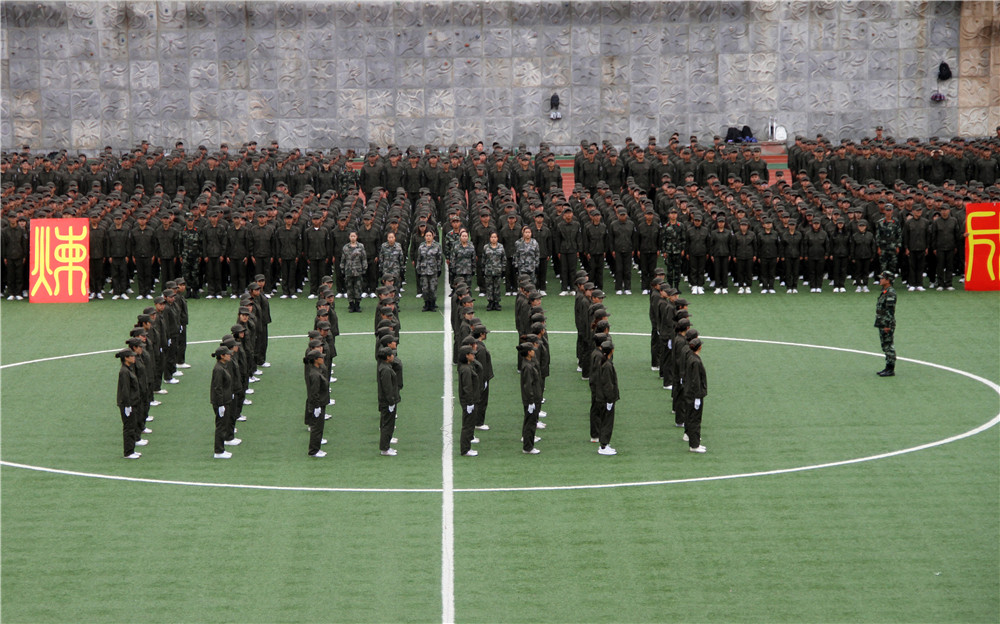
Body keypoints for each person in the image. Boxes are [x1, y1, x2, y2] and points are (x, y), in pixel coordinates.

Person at [116, 348, 142, 459]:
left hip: (132, 402)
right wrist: (127, 405)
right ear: (126, 358)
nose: (134, 357)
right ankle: (128, 452)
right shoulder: (124, 372)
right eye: (131, 356)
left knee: (132, 426)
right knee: (129, 427)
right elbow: (125, 390)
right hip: (128, 403)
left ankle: (131, 449)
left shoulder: (128, 369)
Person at [594, 340, 620, 455]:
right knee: (607, 422)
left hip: (602, 398)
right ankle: (604, 446)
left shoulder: (603, 362)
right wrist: (610, 400)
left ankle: (605, 444)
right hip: (605, 399)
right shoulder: (607, 365)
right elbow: (608, 385)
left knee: (605, 421)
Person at [683, 338, 707, 453]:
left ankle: (694, 440)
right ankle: (694, 445)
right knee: (695, 419)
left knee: (691, 417)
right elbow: (696, 380)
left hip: (689, 392)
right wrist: (697, 396)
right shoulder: (695, 361)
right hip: (694, 394)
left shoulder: (691, 357)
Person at [518, 342, 542, 454]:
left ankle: (528, 445)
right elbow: (528, 386)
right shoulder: (527, 367)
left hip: (533, 398)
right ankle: (528, 447)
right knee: (530, 423)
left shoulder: (529, 364)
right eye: (532, 350)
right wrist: (531, 401)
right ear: (528, 352)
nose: (534, 351)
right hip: (531, 400)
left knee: (530, 422)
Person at [304, 349, 329, 457]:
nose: (322, 359)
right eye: (320, 357)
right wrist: (317, 406)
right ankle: (313, 450)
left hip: (320, 403)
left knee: (319, 427)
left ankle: (316, 448)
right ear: (315, 360)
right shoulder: (314, 374)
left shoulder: (317, 370)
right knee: (316, 428)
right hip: (317, 405)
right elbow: (314, 393)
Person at [210, 346, 234, 459]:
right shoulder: (218, 369)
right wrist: (220, 405)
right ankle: (219, 451)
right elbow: (218, 388)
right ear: (222, 356)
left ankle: (221, 449)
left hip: (225, 400)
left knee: (224, 424)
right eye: (227, 354)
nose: (230, 355)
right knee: (221, 426)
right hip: (221, 402)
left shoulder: (223, 366)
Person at [457, 345, 481, 457]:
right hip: (468, 401)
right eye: (471, 354)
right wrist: (470, 403)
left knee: (469, 424)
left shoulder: (467, 367)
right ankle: (465, 449)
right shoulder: (466, 369)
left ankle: (467, 447)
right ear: (466, 356)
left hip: (470, 401)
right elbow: (467, 388)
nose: (474, 355)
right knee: (467, 425)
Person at [376, 346, 400, 456]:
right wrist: (391, 402)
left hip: (386, 401)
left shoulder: (385, 367)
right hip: (387, 402)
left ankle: (386, 446)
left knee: (388, 424)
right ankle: (385, 448)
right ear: (387, 357)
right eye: (391, 355)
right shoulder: (385, 370)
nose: (393, 356)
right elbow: (387, 388)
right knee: (387, 425)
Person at [875, 271, 897, 377]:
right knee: (885, 345)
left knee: (888, 346)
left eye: (882, 278)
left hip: (886, 323)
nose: (880, 280)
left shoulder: (890, 293)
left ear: (888, 280)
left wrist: (887, 325)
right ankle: (887, 367)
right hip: (882, 322)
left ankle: (890, 368)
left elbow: (890, 311)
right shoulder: (885, 291)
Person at [341, 231, 368, 313]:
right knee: (349, 288)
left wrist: (364, 268)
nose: (353, 238)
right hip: (348, 271)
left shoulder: (361, 246)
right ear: (349, 237)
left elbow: (364, 258)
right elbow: (343, 259)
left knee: (358, 288)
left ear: (356, 237)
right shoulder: (345, 247)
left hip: (358, 271)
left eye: (354, 236)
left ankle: (357, 304)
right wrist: (342, 268)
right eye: (351, 236)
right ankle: (351, 304)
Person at [415, 229, 443, 311]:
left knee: (433, 288)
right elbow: (419, 259)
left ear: (433, 236)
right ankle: (426, 304)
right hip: (424, 271)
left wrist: (439, 269)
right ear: (424, 237)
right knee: (425, 289)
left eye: (430, 236)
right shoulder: (421, 246)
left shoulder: (437, 246)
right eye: (427, 236)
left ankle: (433, 304)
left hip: (433, 271)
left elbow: (439, 258)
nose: (428, 237)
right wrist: (418, 269)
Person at [482, 231, 506, 311]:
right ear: (489, 238)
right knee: (489, 287)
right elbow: (483, 259)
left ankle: (497, 302)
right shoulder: (486, 247)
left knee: (497, 287)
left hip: (498, 270)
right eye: (492, 237)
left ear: (497, 238)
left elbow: (503, 259)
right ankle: (490, 302)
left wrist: (503, 269)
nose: (493, 239)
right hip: (488, 271)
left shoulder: (501, 247)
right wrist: (483, 269)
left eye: (495, 237)